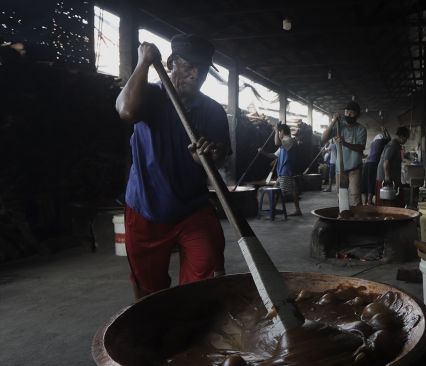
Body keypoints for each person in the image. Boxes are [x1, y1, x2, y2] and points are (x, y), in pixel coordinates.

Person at [115, 34, 230, 300]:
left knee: (205, 270)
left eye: (201, 70)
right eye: (189, 66)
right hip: (146, 206)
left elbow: (220, 156)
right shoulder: (150, 96)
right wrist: (143, 62)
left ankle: (190, 324)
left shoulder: (212, 111)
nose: (195, 75)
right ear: (171, 64)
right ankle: (155, 329)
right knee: (148, 289)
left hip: (192, 208)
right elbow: (126, 112)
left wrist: (206, 158)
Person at [321, 101, 367, 206]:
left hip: (354, 168)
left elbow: (360, 148)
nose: (348, 115)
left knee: (356, 196)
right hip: (340, 169)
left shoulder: (361, 129)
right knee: (341, 197)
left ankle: (358, 218)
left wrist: (345, 143)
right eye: (346, 112)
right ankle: (343, 216)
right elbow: (323, 138)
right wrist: (333, 121)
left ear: (357, 115)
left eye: (351, 113)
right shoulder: (339, 126)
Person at [258, 123, 302, 216]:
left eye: (279, 132)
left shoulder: (288, 140)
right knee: (280, 189)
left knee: (281, 191)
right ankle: (275, 209)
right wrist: (263, 152)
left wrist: (275, 130)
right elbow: (273, 155)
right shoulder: (284, 144)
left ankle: (281, 210)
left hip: (286, 170)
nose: (278, 134)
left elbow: (276, 143)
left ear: (282, 132)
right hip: (282, 171)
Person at [376, 127, 410, 207]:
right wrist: (387, 176)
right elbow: (386, 162)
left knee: (395, 199)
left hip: (392, 177)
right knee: (387, 201)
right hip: (385, 178)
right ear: (402, 136)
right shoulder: (393, 145)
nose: (406, 140)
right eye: (406, 138)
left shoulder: (397, 145)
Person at [362, 130, 390, 205]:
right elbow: (389, 139)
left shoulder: (373, 143)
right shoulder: (381, 141)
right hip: (373, 164)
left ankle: (364, 203)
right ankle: (369, 202)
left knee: (365, 183)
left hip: (366, 163)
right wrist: (385, 130)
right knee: (371, 182)